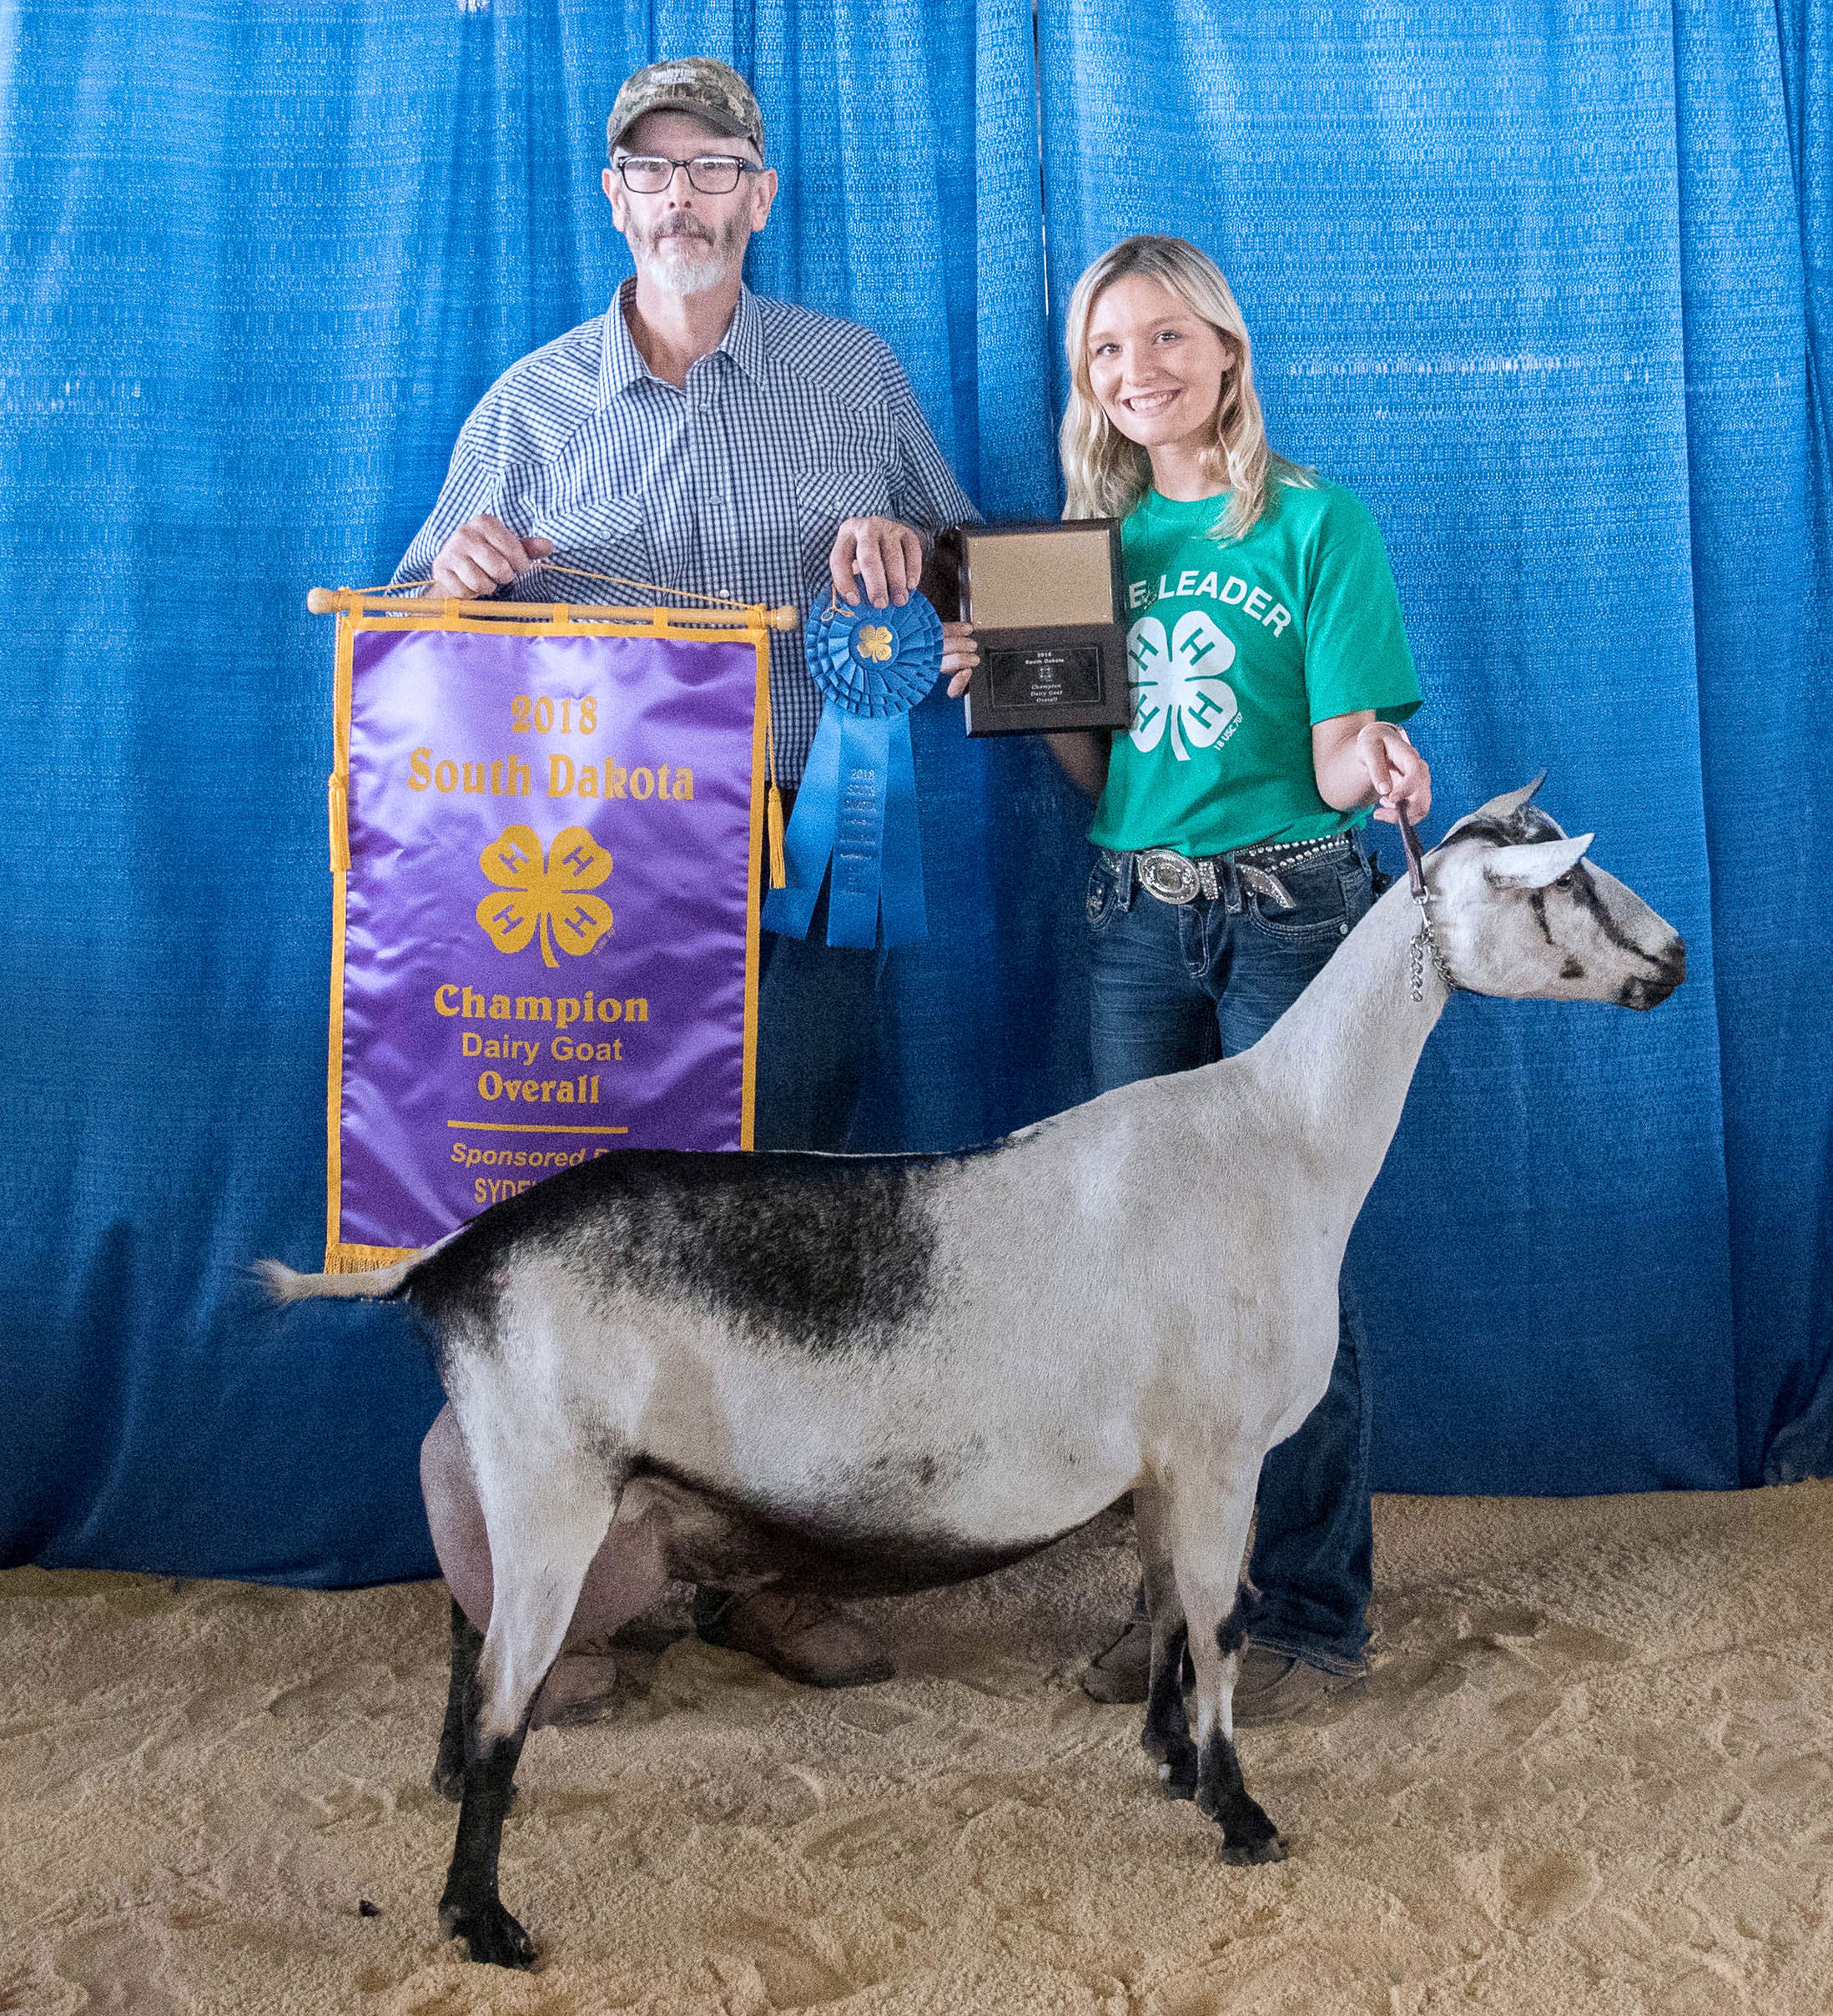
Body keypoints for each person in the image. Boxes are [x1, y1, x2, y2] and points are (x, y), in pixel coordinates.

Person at [400, 57, 979, 1694]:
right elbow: (406, 662)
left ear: (759, 195)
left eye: (713, 166)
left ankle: (771, 1576)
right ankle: (561, 1582)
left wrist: (901, 560)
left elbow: (964, 566)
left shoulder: (849, 377)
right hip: (580, 900)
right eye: (650, 171)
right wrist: (451, 578)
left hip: (809, 873)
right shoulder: (526, 403)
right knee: (585, 1240)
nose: (682, 196)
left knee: (789, 1236)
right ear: (614, 199)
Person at [961, 234, 1432, 1722]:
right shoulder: (1084, 553)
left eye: (1166, 340)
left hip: (1295, 914)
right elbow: (1104, 768)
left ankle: (1301, 1608)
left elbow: (1340, 745)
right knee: (1139, 1276)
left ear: (1226, 351)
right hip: (1133, 919)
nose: (1137, 372)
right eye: (1107, 352)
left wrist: (1384, 771)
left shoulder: (1313, 524)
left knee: (1289, 1279)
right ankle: (1178, 1603)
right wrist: (1018, 692)